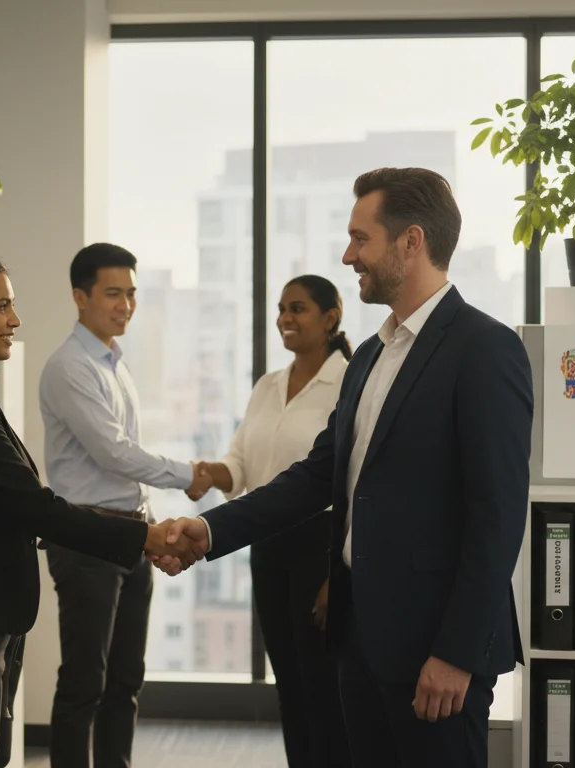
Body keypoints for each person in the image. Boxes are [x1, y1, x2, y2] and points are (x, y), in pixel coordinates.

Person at [158, 168, 533, 768]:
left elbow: (498, 515)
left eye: (361, 239)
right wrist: (210, 531)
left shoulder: (484, 349)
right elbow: (315, 477)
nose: (347, 254)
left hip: (436, 655)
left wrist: (457, 653)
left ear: (411, 242)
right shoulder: (369, 358)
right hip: (361, 644)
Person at [0, 251, 206, 768]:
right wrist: (144, 537)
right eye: (2, 306)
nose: (15, 320)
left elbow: (10, 509)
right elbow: (37, 508)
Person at [37, 243, 213, 768]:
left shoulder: (114, 362)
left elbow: (123, 464)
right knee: (84, 684)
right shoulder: (70, 366)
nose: (126, 305)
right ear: (79, 296)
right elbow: (113, 453)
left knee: (125, 683)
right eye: (113, 293)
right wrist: (191, 476)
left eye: (132, 293)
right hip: (88, 539)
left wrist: (152, 523)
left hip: (133, 534)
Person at [198, 274, 352, 768]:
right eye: (281, 308)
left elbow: (353, 482)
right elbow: (241, 461)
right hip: (267, 546)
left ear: (330, 319)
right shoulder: (268, 385)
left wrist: (337, 572)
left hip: (320, 549)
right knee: (289, 680)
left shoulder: (348, 382)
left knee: (322, 684)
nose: (285, 318)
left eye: (298, 308)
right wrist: (200, 474)